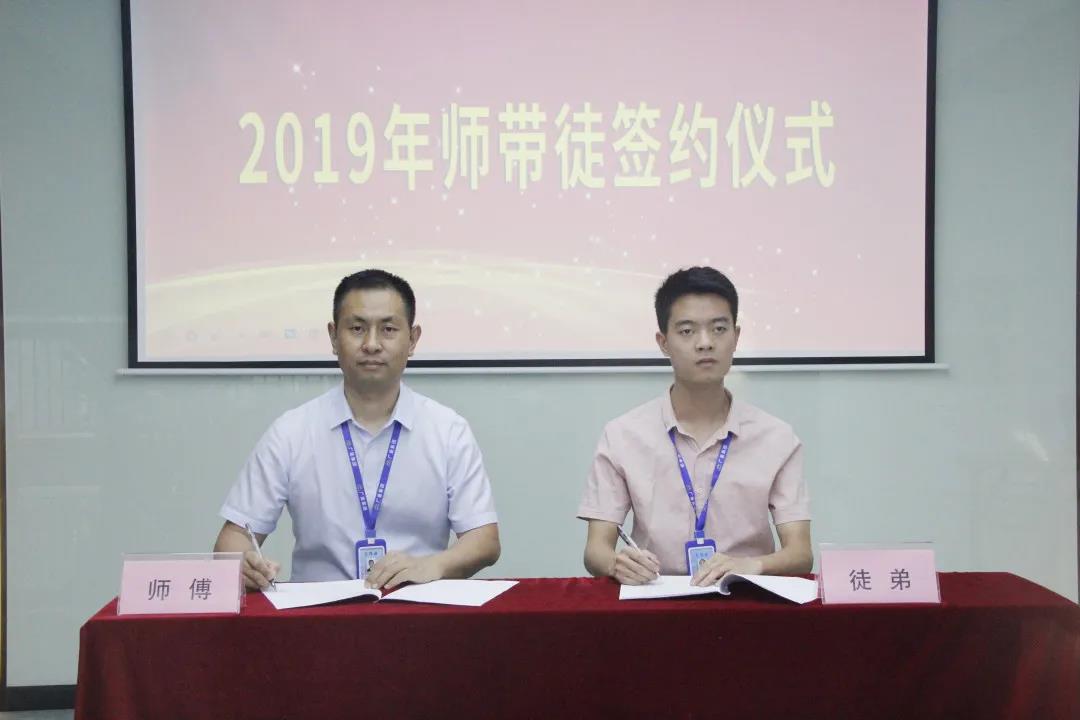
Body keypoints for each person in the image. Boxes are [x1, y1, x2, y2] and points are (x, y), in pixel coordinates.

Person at [214, 269, 500, 590]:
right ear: (334, 337)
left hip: (418, 607)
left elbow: (484, 539)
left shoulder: (448, 430)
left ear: (412, 339)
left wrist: (431, 565)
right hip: (318, 612)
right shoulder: (292, 431)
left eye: (388, 329)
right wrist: (245, 563)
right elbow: (234, 536)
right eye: (357, 329)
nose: (372, 344)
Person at [578, 266, 811, 586]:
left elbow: (800, 553)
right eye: (687, 331)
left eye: (718, 329)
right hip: (655, 599)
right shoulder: (623, 435)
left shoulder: (776, 437)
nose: (705, 343)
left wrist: (751, 565)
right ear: (663, 342)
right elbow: (595, 550)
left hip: (745, 599)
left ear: (736, 337)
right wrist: (617, 563)